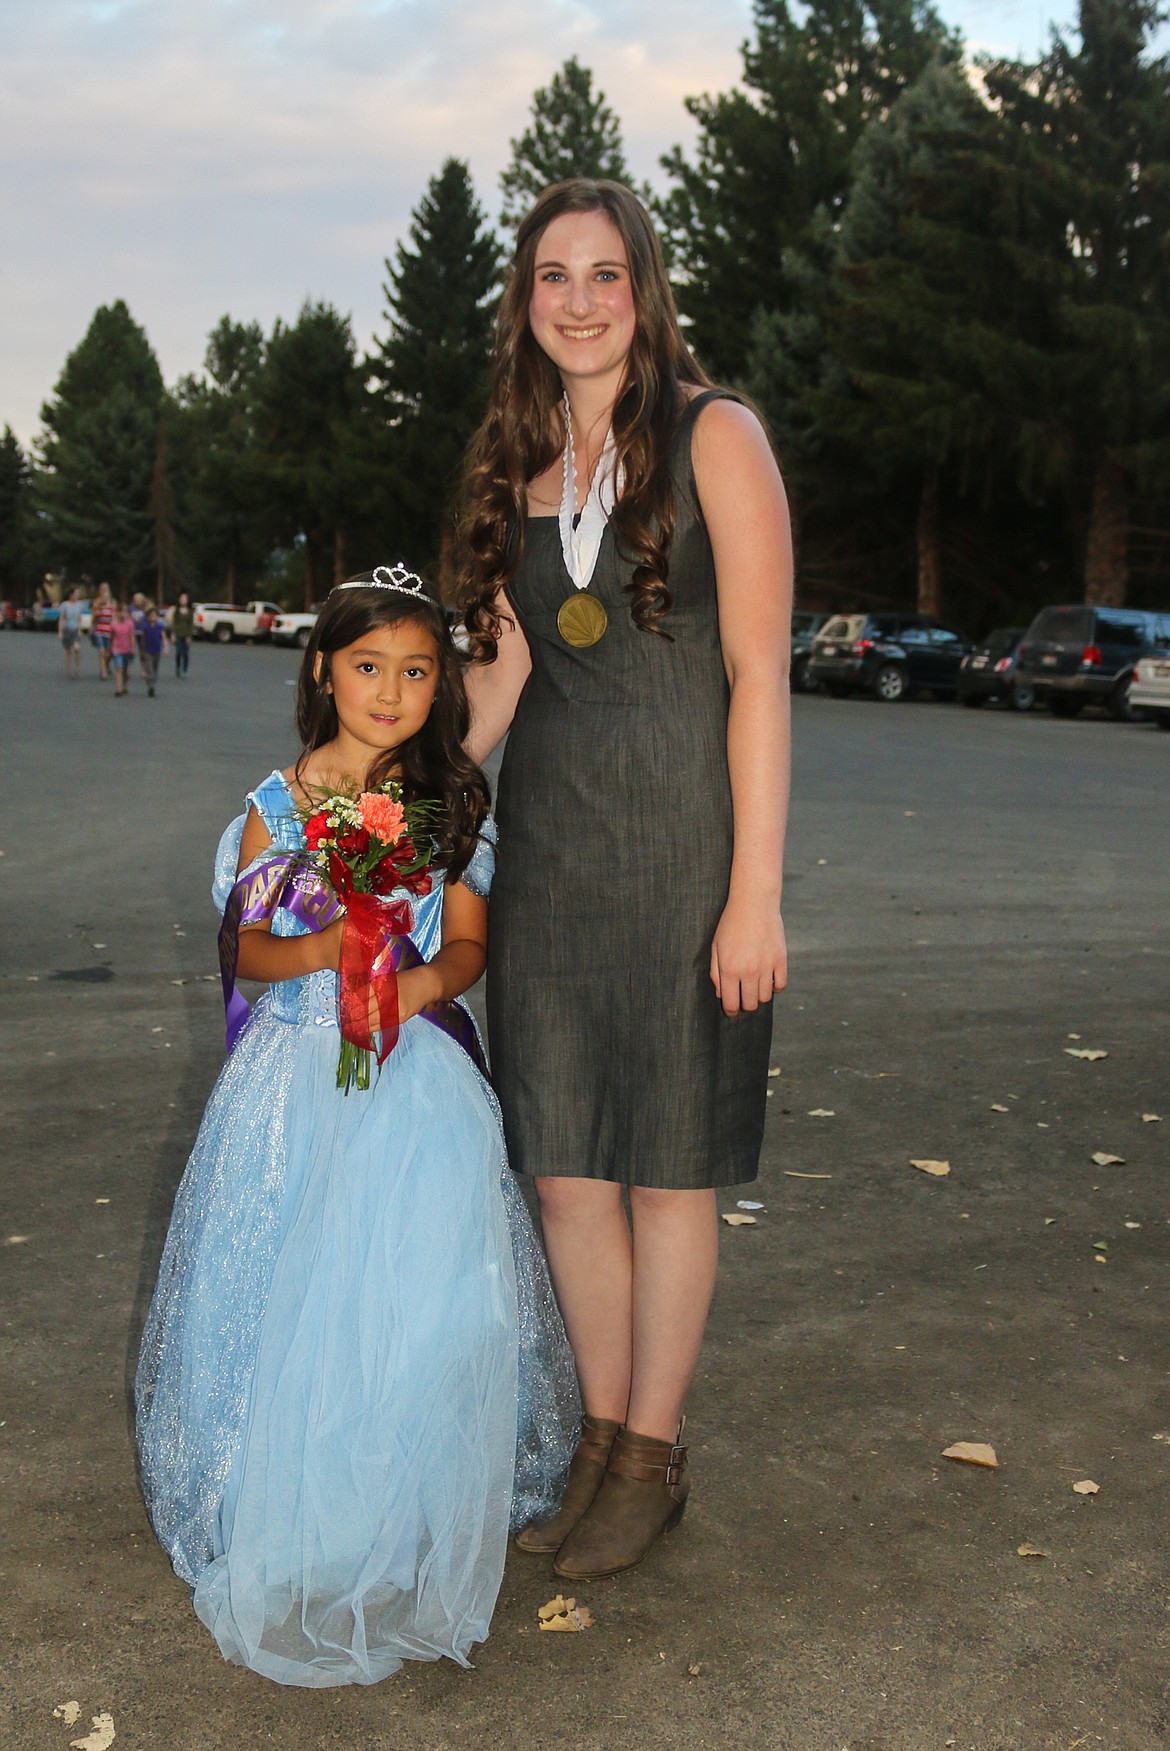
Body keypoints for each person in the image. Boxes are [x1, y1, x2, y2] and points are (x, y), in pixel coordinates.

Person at [135, 567, 578, 1687]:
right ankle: (300, 1511)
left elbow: (468, 944)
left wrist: (417, 988)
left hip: (416, 1079)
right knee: (294, 1290)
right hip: (292, 1076)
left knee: (417, 1301)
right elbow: (246, 952)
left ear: (444, 685)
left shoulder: (449, 804)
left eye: (416, 671)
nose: (389, 691)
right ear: (323, 669)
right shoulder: (275, 808)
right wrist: (333, 948)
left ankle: (406, 1502)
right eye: (367, 666)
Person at [457, 180, 792, 1581]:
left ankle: (651, 1452)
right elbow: (496, 688)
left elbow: (759, 675)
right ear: (524, 302)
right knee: (565, 1169)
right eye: (552, 276)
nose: (579, 300)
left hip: (682, 862)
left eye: (605, 273)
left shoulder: (716, 436)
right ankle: (598, 1435)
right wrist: (372, 809)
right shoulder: (514, 473)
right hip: (549, 861)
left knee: (664, 1173)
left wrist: (754, 891)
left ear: (644, 291)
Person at [109, 601, 136, 696]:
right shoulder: (113, 624)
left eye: (125, 612)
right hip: (117, 649)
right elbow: (111, 637)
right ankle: (118, 688)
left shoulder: (130, 624)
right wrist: (110, 649)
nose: (123, 614)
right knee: (118, 669)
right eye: (121, 611)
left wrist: (133, 648)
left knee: (126, 671)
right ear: (117, 612)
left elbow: (132, 636)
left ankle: (124, 685)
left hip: (127, 649)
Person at [58, 587, 84, 678]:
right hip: (67, 629)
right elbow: (61, 618)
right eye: (76, 594)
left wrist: (80, 629)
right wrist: (60, 632)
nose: (77, 596)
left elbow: (79, 618)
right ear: (71, 595)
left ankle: (77, 668)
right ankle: (68, 670)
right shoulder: (64, 605)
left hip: (75, 629)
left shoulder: (79, 605)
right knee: (68, 651)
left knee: (77, 648)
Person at [141, 604, 166, 696]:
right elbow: (143, 638)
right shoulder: (146, 627)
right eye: (151, 616)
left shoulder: (160, 626)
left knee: (155, 668)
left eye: (155, 616)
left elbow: (163, 637)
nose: (153, 617)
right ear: (148, 617)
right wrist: (142, 649)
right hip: (148, 650)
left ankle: (152, 683)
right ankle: (150, 685)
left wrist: (165, 647)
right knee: (150, 668)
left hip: (157, 650)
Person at [91, 584, 114, 680]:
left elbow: (114, 619)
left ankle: (106, 665)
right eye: (102, 590)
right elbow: (93, 619)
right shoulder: (96, 604)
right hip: (99, 630)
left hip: (109, 632)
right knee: (101, 651)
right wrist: (98, 612)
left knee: (109, 652)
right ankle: (103, 671)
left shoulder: (112, 605)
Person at [170, 591, 193, 677]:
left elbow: (191, 624)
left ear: (187, 600)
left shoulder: (190, 611)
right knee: (178, 652)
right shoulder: (176, 610)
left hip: (186, 634)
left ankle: (185, 667)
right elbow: (174, 623)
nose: (183, 600)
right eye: (181, 599)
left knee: (185, 653)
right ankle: (178, 668)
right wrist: (173, 634)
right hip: (178, 634)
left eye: (185, 599)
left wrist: (189, 636)